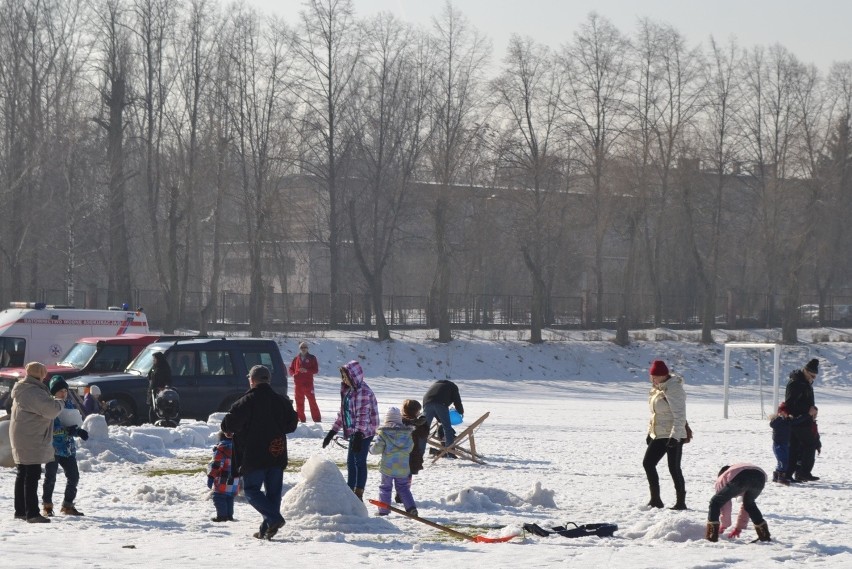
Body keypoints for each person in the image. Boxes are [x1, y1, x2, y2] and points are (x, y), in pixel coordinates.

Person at [221, 365, 298, 540]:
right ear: (268, 380)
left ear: (252, 380)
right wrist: (277, 429)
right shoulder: (281, 401)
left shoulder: (246, 401)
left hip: (254, 454)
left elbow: (229, 424)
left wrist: (229, 430)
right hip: (276, 450)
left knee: (251, 490)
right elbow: (292, 424)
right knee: (273, 494)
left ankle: (274, 519)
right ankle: (266, 529)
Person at [9, 362, 63, 523]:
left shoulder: (25, 388)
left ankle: (20, 511)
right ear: (40, 374)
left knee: (23, 473)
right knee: (31, 475)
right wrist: (59, 401)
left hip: (24, 436)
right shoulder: (31, 391)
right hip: (30, 437)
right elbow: (50, 410)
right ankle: (32, 513)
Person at [322, 361, 378, 501]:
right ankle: (349, 490)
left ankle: (358, 493)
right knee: (350, 462)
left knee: (359, 461)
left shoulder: (363, 392)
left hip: (365, 432)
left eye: (346, 376)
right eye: (342, 376)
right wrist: (332, 432)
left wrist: (359, 435)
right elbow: (343, 414)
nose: (344, 379)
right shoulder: (349, 391)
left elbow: (363, 416)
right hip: (355, 432)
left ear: (354, 376)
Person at [643, 359, 688, 510]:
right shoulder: (657, 389)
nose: (653, 379)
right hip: (659, 433)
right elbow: (655, 414)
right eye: (652, 376)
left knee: (674, 468)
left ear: (664, 375)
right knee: (648, 463)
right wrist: (651, 432)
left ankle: (680, 502)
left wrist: (675, 437)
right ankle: (655, 499)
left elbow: (680, 415)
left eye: (656, 376)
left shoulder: (673, 388)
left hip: (673, 434)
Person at [42, 376, 88, 517]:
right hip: (53, 448)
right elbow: (52, 429)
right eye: (61, 391)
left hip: (67, 449)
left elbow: (73, 423)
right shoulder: (50, 407)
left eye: (65, 391)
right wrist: (68, 430)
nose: (64, 393)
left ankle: (68, 505)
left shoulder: (68, 405)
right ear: (53, 392)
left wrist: (78, 431)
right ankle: (47, 506)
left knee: (74, 476)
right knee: (50, 477)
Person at [369, 407, 418, 517]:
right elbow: (411, 447)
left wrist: (370, 450)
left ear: (387, 420)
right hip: (403, 467)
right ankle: (411, 508)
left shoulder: (384, 433)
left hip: (387, 467)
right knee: (403, 488)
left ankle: (383, 510)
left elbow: (377, 448)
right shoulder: (407, 434)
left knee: (385, 488)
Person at [705, 464, 770, 542]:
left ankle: (711, 536)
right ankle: (764, 535)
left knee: (715, 502)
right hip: (760, 477)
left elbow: (725, 507)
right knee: (749, 504)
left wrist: (724, 526)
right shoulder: (735, 469)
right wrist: (739, 528)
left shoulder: (721, 479)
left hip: (741, 476)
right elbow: (746, 508)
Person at [784, 358, 820, 482]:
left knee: (794, 447)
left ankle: (791, 473)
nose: (813, 379)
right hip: (798, 420)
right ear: (805, 370)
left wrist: (813, 409)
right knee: (810, 444)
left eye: (815, 376)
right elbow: (790, 404)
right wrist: (808, 410)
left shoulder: (805, 382)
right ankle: (803, 472)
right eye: (812, 375)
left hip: (804, 420)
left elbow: (807, 401)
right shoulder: (796, 383)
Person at [769, 402, 808, 485]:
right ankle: (781, 477)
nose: (783, 414)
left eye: (785, 413)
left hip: (785, 444)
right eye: (781, 412)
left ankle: (777, 475)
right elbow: (772, 424)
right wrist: (780, 417)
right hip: (778, 444)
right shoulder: (777, 421)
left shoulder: (788, 421)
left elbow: (797, 420)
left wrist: (807, 415)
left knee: (784, 461)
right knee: (783, 461)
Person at [397, 399, 429, 503]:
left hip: (398, 453)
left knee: (400, 474)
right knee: (408, 474)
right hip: (412, 453)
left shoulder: (399, 421)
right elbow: (423, 435)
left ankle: (399, 493)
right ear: (415, 412)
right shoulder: (417, 423)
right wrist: (424, 424)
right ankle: (403, 494)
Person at [422, 380, 464, 456]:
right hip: (441, 404)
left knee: (423, 428)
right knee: (447, 427)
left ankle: (419, 451)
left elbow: (428, 397)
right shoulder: (453, 386)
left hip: (427, 403)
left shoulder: (434, 384)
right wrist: (461, 412)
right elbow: (457, 401)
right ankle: (450, 452)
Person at [207, 431, 239, 522]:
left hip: (223, 477)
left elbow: (217, 464)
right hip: (235, 478)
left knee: (218, 496)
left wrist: (211, 476)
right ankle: (229, 515)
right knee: (229, 496)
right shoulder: (239, 448)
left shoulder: (221, 449)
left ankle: (222, 516)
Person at [289, 341, 321, 423]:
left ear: (307, 348)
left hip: (308, 383)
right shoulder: (296, 358)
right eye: (302, 347)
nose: (303, 349)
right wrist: (294, 374)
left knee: (312, 401)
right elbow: (291, 369)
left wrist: (307, 370)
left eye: (305, 347)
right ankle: (301, 419)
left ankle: (317, 419)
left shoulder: (312, 358)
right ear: (299, 349)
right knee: (299, 401)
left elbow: (316, 370)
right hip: (298, 383)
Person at [148, 352, 172, 423]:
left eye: (154, 359)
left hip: (161, 391)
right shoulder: (154, 367)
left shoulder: (165, 367)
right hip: (152, 390)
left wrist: (164, 387)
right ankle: (152, 423)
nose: (153, 360)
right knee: (152, 407)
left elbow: (168, 379)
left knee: (159, 407)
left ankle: (161, 422)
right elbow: (149, 375)